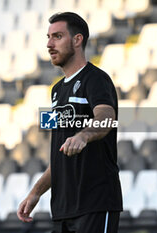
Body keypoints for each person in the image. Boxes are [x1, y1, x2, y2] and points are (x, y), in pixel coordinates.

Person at [17, 12, 123, 233]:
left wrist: (83, 135)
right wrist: (36, 192)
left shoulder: (96, 79)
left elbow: (106, 118)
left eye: (57, 36)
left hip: (95, 202)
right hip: (63, 209)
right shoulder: (56, 91)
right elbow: (59, 156)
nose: (49, 44)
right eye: (48, 37)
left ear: (77, 40)